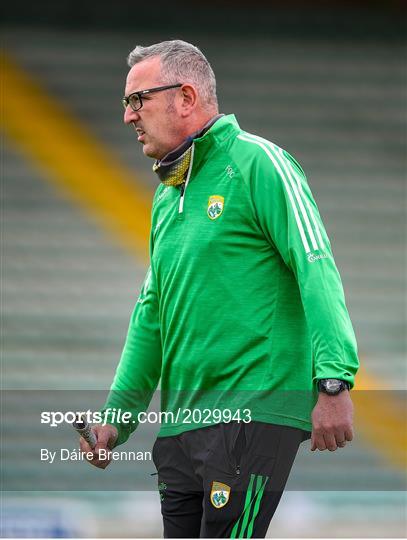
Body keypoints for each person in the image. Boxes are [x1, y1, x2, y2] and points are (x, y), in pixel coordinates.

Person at [80, 40, 359, 538]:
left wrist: (333, 380)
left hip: (251, 413)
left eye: (136, 100)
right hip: (181, 426)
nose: (128, 116)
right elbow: (152, 315)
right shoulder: (167, 199)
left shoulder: (259, 163)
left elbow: (316, 265)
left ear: (185, 97)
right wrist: (115, 421)